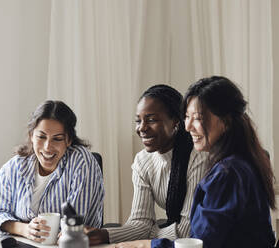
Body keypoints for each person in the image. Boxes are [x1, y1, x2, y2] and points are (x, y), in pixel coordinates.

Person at [113, 76, 276, 248]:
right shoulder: (238, 162)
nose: (188, 126)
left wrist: (146, 243)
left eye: (197, 118)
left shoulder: (227, 173)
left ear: (225, 121)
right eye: (186, 117)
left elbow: (200, 244)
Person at [87, 85, 209, 245]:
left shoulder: (197, 157)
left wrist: (151, 233)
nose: (142, 128)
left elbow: (188, 230)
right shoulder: (142, 161)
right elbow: (140, 223)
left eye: (151, 120)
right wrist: (102, 235)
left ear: (176, 123)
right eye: (138, 120)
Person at [0, 100, 104, 243]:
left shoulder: (81, 161)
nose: (48, 147)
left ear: (69, 140)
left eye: (57, 139)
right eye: (41, 137)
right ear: (31, 136)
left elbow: (74, 224)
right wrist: (24, 229)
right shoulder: (14, 167)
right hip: (22, 244)